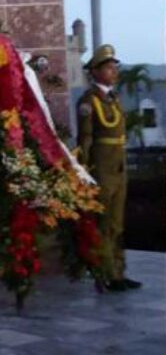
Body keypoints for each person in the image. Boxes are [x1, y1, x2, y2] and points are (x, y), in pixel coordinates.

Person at [76, 44, 142, 292]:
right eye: (108, 67)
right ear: (95, 72)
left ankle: (119, 270)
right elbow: (85, 139)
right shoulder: (88, 101)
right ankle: (105, 274)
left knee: (117, 223)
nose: (114, 71)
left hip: (118, 167)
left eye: (115, 67)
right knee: (104, 223)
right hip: (102, 168)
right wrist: (84, 171)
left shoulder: (113, 98)